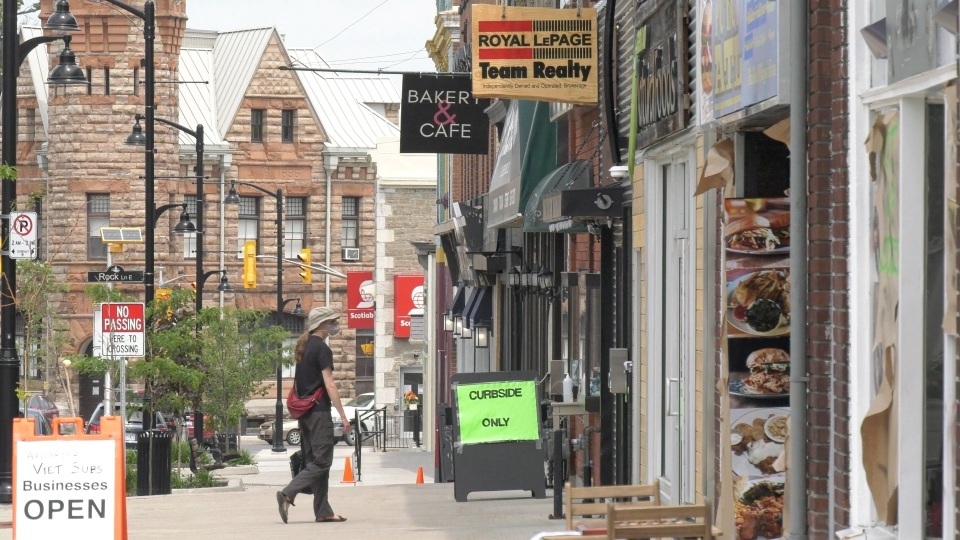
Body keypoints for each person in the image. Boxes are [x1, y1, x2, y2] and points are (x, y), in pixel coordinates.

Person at [277, 306, 351, 524]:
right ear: (323, 324)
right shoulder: (321, 349)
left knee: (315, 462)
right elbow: (330, 384)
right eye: (332, 321)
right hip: (319, 412)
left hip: (305, 414)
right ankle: (287, 493)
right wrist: (343, 416)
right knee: (322, 462)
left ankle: (323, 511)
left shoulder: (304, 346)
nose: (335, 325)